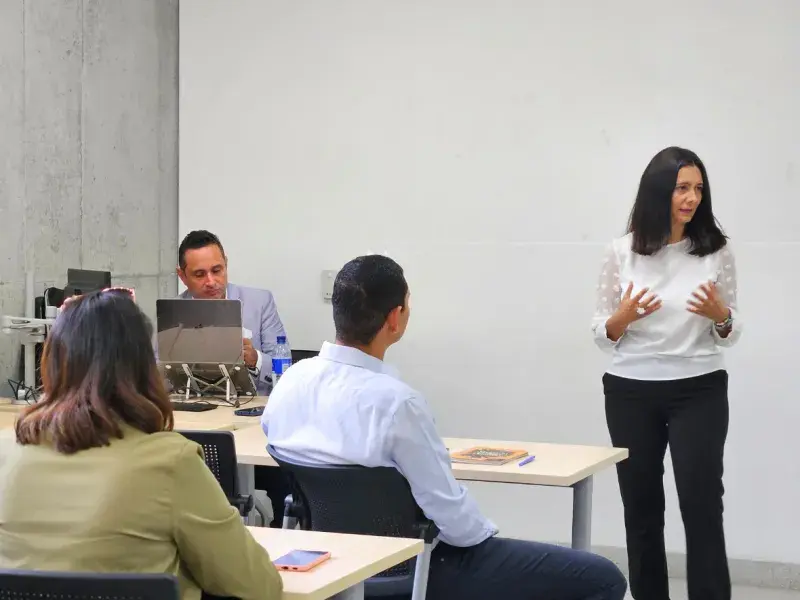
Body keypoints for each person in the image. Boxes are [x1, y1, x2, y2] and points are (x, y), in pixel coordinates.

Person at [263, 255, 627, 600]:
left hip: (330, 564)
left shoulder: (290, 383)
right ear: (395, 318)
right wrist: (486, 535)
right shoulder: (397, 403)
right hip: (416, 566)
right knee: (601, 577)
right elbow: (454, 521)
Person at [0, 289, 282, 600]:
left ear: (52, 361)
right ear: (144, 366)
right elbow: (257, 586)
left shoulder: (6, 451)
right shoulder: (169, 462)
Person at [592, 146, 742, 600]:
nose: (692, 197)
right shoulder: (621, 253)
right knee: (640, 508)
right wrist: (623, 318)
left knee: (701, 506)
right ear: (659, 191)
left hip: (699, 388)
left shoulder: (717, 252)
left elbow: (729, 331)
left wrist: (722, 316)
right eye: (682, 187)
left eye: (698, 188)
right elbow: (601, 332)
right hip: (630, 390)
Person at [176, 229, 291, 526]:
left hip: (253, 419)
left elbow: (284, 367)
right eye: (200, 274)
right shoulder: (174, 311)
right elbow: (156, 371)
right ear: (182, 275)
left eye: (217, 270)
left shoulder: (259, 301)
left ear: (226, 263)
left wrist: (254, 359)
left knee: (281, 475)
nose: (212, 281)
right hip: (199, 419)